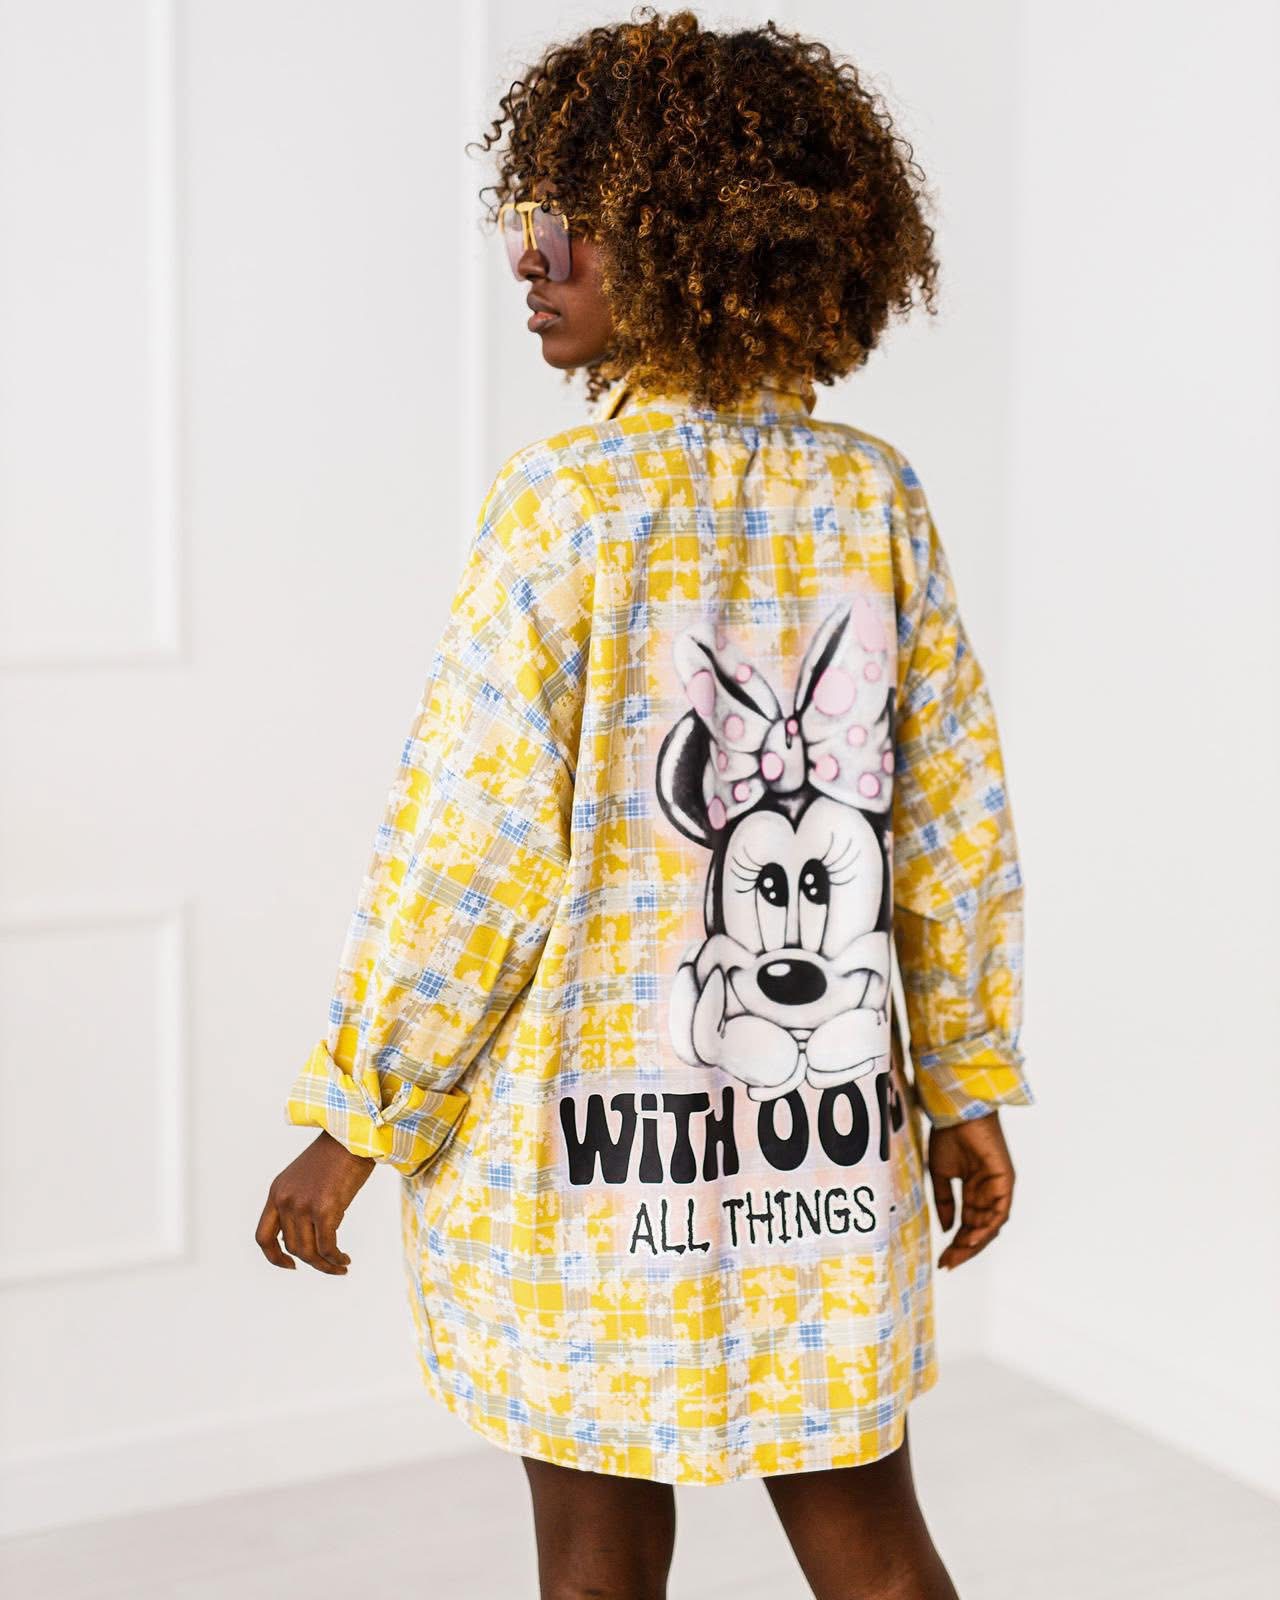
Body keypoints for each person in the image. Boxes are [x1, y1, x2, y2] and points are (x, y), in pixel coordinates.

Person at [256, 10, 1034, 1598]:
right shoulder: (872, 496)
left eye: (577, 222)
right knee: (875, 1547)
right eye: (531, 216)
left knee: (594, 1563)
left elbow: (474, 849)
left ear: (697, 248)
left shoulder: (566, 508)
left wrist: (356, 1118)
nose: (529, 256)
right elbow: (949, 833)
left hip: (590, 1154)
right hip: (820, 1144)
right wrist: (961, 1082)